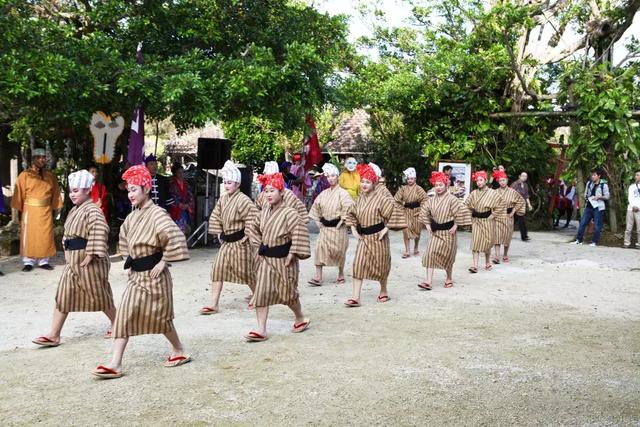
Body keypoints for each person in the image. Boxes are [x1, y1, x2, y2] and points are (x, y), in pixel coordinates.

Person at [93, 165, 190, 379]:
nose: (130, 194)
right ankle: (115, 363)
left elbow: (174, 237)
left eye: (134, 189)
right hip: (137, 276)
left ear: (146, 189)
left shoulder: (158, 213)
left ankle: (179, 350)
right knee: (124, 315)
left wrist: (163, 262)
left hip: (155, 276)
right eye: (128, 190)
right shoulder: (132, 216)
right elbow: (125, 242)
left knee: (161, 318)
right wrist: (130, 262)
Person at [31, 170, 115, 347]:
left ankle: (118, 324)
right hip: (73, 261)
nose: (72, 194)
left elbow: (100, 231)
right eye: (71, 191)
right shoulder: (74, 211)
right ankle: (54, 334)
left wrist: (91, 253)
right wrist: (67, 253)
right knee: (63, 294)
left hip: (89, 261)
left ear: (86, 190)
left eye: (76, 191)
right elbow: (68, 235)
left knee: (98, 294)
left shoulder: (92, 210)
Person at [245, 172, 311, 342]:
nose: (268, 194)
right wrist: (258, 245)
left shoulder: (290, 213)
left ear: (282, 192)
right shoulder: (264, 211)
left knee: (288, 294)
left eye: (272, 190)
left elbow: (299, 232)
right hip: (266, 258)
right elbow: (252, 227)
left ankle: (300, 317)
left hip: (284, 259)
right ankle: (261, 329)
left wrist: (292, 253)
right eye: (266, 191)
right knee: (261, 292)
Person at [200, 161, 258, 315]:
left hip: (241, 243)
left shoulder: (244, 200)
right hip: (226, 243)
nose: (226, 185)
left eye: (229, 182)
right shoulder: (223, 199)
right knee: (217, 270)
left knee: (246, 272)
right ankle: (213, 303)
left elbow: (253, 219)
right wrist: (219, 233)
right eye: (225, 182)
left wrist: (248, 237)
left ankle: (259, 294)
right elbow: (215, 217)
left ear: (237, 183)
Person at [344, 163, 395, 307]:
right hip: (364, 237)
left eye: (367, 182)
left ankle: (383, 290)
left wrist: (386, 229)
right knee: (358, 264)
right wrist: (353, 229)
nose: (364, 185)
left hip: (379, 237)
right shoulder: (359, 199)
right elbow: (350, 213)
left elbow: (394, 212)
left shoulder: (382, 198)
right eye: (362, 181)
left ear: (374, 183)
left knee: (381, 265)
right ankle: (355, 297)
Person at [11, 148, 63, 272]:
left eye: (43, 157)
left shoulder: (50, 175)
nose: (41, 159)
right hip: (30, 210)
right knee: (30, 235)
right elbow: (19, 194)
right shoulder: (25, 175)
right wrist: (19, 213)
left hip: (46, 210)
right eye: (38, 157)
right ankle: (28, 262)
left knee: (45, 235)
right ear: (33, 159)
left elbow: (55, 193)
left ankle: (43, 261)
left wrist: (57, 208)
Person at [418, 171, 471, 289]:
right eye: (436, 185)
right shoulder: (431, 200)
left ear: (446, 185)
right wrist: (427, 225)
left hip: (448, 232)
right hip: (436, 231)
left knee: (448, 256)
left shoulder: (452, 199)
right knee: (430, 254)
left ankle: (448, 278)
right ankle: (428, 281)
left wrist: (456, 225)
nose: (438, 188)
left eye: (441, 185)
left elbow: (461, 211)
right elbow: (424, 212)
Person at [308, 163, 353, 286]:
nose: (331, 179)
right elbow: (316, 208)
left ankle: (341, 274)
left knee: (339, 251)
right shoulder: (323, 194)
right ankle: (318, 276)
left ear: (337, 177)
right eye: (329, 177)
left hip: (338, 227)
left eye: (333, 176)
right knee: (319, 249)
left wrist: (342, 221)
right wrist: (318, 222)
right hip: (325, 228)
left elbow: (348, 207)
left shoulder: (343, 193)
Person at [464, 171, 507, 273]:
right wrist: (468, 216)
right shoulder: (473, 193)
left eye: (481, 180)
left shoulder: (492, 193)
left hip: (488, 220)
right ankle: (474, 265)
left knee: (487, 243)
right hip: (476, 220)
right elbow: (466, 205)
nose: (478, 182)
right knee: (475, 242)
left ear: (485, 180)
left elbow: (501, 204)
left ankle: (487, 262)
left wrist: (493, 215)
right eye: (477, 180)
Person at [492, 170, 526, 263]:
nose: (502, 182)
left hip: (508, 216)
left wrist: (514, 211)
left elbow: (521, 201)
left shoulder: (512, 192)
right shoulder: (494, 192)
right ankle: (497, 257)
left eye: (503, 180)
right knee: (497, 237)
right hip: (498, 216)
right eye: (500, 181)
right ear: (498, 182)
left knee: (507, 237)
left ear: (507, 180)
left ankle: (505, 254)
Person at [394, 167, 428, 258]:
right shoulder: (403, 189)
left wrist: (421, 210)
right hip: (406, 211)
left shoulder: (419, 189)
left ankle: (416, 247)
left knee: (417, 231)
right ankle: (407, 250)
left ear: (415, 179)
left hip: (417, 211)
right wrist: (401, 209)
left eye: (412, 179)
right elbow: (396, 200)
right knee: (405, 230)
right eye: (408, 179)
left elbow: (425, 199)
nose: (410, 180)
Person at [574, 168, 610, 247]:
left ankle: (594, 242)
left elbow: (607, 196)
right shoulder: (589, 183)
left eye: (594, 175)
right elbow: (585, 193)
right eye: (592, 175)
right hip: (589, 206)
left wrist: (599, 197)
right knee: (582, 223)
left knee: (597, 225)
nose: (592, 176)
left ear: (599, 176)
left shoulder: (604, 185)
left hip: (599, 207)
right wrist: (586, 197)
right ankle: (579, 240)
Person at [168, 162, 194, 234]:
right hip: (175, 209)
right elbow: (170, 196)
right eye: (179, 172)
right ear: (175, 173)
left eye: (182, 172)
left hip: (185, 209)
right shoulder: (171, 183)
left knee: (185, 229)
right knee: (175, 231)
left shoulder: (186, 184)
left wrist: (188, 205)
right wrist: (179, 204)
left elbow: (190, 196)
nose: (181, 174)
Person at [510, 172, 532, 241]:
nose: (524, 177)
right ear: (519, 176)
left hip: (522, 205)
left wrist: (529, 204)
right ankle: (524, 236)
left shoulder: (525, 185)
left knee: (518, 221)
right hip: (515, 205)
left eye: (526, 176)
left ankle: (524, 236)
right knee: (518, 221)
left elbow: (526, 196)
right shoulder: (515, 184)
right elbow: (510, 193)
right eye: (523, 176)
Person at [623, 169, 640, 248]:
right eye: (636, 175)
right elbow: (629, 197)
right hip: (630, 209)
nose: (636, 176)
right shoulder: (631, 186)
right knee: (628, 228)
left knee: (639, 228)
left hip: (639, 210)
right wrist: (633, 206)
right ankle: (626, 243)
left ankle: (639, 244)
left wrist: (638, 207)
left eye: (638, 175)